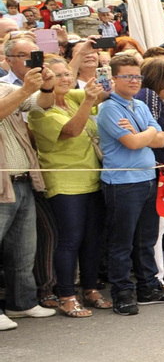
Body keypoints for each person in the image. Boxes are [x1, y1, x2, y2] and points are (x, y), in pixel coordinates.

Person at [99, 53, 164, 315]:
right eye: (126, 76)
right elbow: (135, 142)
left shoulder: (138, 106)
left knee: (146, 239)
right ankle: (122, 291)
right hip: (122, 183)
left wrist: (144, 133)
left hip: (147, 179)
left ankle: (148, 286)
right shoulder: (109, 107)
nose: (134, 81)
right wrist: (147, 133)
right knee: (122, 242)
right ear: (114, 79)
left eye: (136, 75)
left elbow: (158, 137)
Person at [29, 58, 108, 316]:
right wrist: (88, 101)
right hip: (64, 183)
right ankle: (66, 295)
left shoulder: (73, 97)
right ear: (46, 81)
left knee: (93, 239)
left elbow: (104, 92)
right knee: (70, 241)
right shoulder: (40, 111)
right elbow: (72, 130)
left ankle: (90, 288)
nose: (64, 78)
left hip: (93, 178)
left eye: (67, 74)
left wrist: (103, 71)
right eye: (57, 75)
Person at [0, 58, 57, 328]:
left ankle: (21, 304)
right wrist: (24, 90)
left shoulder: (4, 87)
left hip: (21, 180)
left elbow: (41, 104)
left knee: (23, 250)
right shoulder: (13, 90)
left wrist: (46, 88)